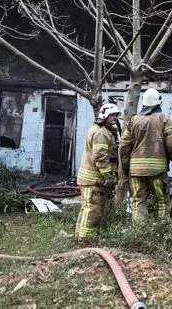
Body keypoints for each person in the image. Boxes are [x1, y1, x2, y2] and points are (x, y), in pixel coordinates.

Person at [120, 88, 172, 222]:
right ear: (158, 103)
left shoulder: (133, 121)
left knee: (138, 202)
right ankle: (162, 229)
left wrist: (126, 169)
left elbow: (124, 147)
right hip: (157, 171)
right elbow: (171, 144)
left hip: (136, 171)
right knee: (162, 200)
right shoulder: (163, 119)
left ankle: (140, 234)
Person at [74, 102, 120, 242]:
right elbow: (100, 157)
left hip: (91, 178)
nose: (115, 118)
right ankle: (86, 240)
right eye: (112, 115)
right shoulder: (100, 132)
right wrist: (108, 176)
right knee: (93, 208)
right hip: (93, 179)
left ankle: (79, 237)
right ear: (104, 115)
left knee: (87, 208)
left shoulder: (102, 130)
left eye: (116, 115)